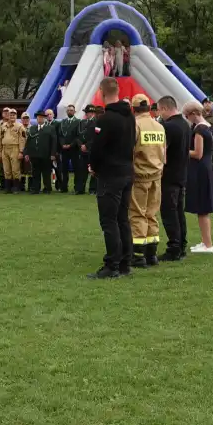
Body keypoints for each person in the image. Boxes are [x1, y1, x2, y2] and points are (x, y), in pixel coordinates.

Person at [86, 77, 136, 279]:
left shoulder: (106, 119)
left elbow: (97, 148)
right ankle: (125, 262)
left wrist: (94, 166)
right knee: (122, 218)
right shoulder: (130, 116)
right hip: (126, 171)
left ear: (101, 92)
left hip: (110, 174)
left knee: (109, 221)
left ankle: (111, 265)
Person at [129, 94, 166, 267]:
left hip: (139, 176)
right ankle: (152, 254)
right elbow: (163, 153)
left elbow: (131, 152)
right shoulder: (159, 127)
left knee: (137, 214)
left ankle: (138, 255)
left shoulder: (135, 126)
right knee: (152, 213)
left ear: (133, 108)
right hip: (156, 176)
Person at [183, 100, 213, 253]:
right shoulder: (207, 126)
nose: (186, 118)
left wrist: (181, 151)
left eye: (186, 115)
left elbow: (197, 153)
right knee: (202, 208)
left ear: (192, 114)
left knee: (202, 208)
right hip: (206, 167)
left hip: (200, 169)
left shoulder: (199, 130)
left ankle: (208, 244)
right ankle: (205, 242)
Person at [158, 96, 190, 261]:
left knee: (169, 212)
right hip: (181, 173)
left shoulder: (168, 127)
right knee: (178, 212)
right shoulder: (185, 124)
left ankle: (174, 248)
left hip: (169, 175)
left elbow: (163, 152)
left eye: (159, 110)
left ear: (164, 108)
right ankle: (181, 245)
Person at [25, 110, 57, 193]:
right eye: (39, 117)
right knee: (36, 173)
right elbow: (28, 141)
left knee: (46, 172)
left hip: (46, 155)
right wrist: (27, 153)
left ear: (45, 118)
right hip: (34, 155)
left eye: (42, 117)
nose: (40, 119)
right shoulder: (32, 128)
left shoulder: (50, 128)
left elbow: (54, 142)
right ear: (36, 118)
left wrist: (53, 154)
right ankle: (36, 188)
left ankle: (47, 188)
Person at [0, 108, 25, 194]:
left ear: (16, 116)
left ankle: (16, 187)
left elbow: (22, 139)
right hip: (5, 148)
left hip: (15, 148)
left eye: (14, 115)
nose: (12, 116)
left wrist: (21, 151)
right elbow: (0, 138)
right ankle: (8, 188)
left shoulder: (20, 126)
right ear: (8, 116)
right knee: (6, 169)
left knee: (15, 169)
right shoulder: (3, 126)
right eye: (11, 115)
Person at [55, 104, 81, 193]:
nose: (70, 111)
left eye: (71, 110)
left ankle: (77, 188)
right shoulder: (63, 122)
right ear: (66, 111)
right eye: (68, 110)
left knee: (76, 169)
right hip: (64, 149)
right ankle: (64, 187)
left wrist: (71, 145)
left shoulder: (78, 122)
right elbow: (60, 135)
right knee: (64, 169)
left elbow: (78, 136)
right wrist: (63, 144)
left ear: (74, 112)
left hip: (74, 149)